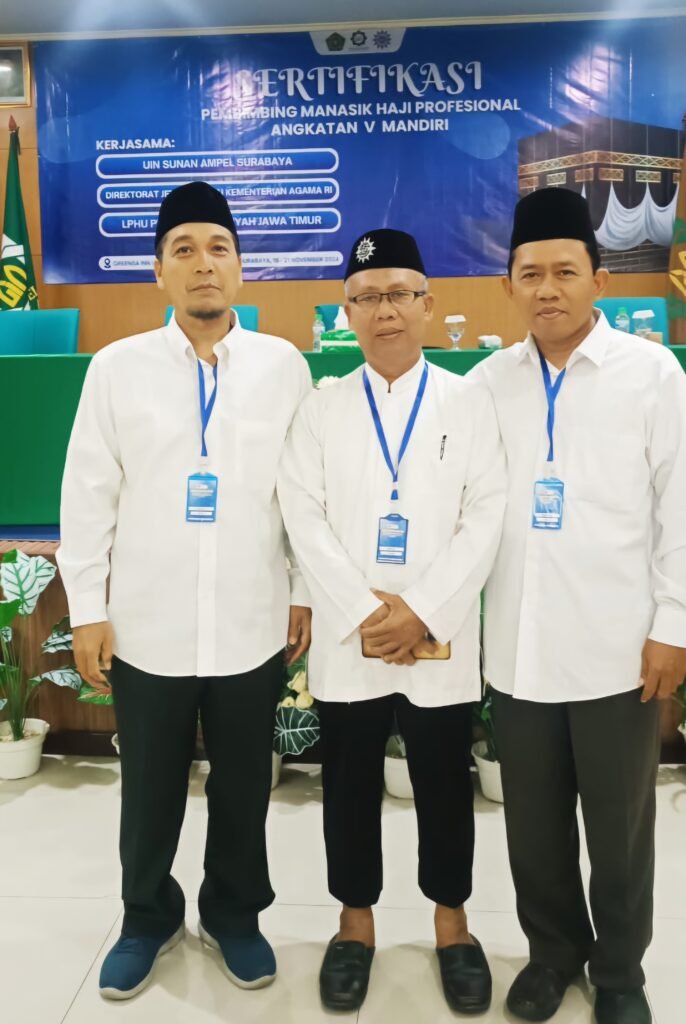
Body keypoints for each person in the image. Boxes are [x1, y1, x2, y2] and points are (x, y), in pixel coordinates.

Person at [57, 181, 312, 1000]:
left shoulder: (283, 367)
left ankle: (234, 914)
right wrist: (89, 611)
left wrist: (303, 590)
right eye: (184, 250)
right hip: (148, 624)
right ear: (159, 271)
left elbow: (304, 494)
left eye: (219, 249)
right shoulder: (117, 369)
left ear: (240, 267)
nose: (204, 264)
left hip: (250, 620)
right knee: (150, 787)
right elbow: (86, 496)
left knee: (243, 784)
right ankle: (147, 916)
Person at [470, 187, 686, 1024]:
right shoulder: (487, 383)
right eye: (531, 274)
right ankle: (553, 953)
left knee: (620, 825)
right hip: (519, 646)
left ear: (600, 279)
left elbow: (679, 509)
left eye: (565, 271)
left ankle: (621, 972)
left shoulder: (651, 375)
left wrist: (674, 624)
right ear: (509, 286)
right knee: (532, 823)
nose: (548, 288)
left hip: (616, 646)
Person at [277, 228, 506, 1014]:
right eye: (367, 298)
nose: (385, 311)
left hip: (438, 639)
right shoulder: (321, 407)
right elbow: (302, 515)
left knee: (444, 785)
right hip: (355, 641)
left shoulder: (468, 403)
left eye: (399, 294)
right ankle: (354, 926)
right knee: (347, 785)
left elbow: (487, 514)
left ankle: (453, 926)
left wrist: (423, 612)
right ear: (346, 312)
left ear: (427, 304)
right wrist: (370, 611)